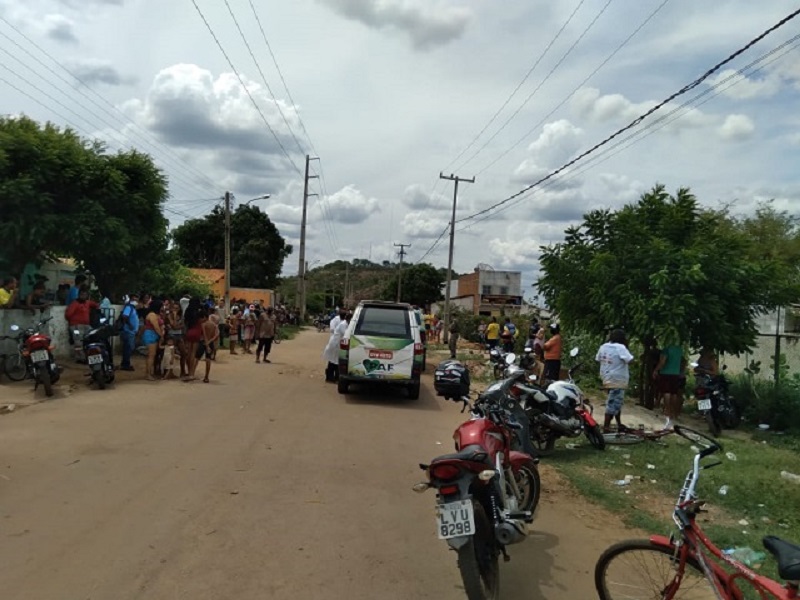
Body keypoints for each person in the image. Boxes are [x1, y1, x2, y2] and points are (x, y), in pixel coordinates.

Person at [596, 329, 635, 433]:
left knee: (615, 401)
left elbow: (598, 359)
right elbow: (630, 360)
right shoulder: (621, 347)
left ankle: (618, 423)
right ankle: (606, 428)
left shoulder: (603, 346)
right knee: (613, 403)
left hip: (606, 377)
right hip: (618, 379)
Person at [654, 343, 684, 430]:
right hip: (675, 374)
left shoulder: (666, 349)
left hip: (666, 373)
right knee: (674, 393)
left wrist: (656, 370)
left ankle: (667, 410)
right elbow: (682, 361)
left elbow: (662, 362)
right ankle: (673, 411)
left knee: (666, 392)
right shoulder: (679, 349)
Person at [65, 285, 99, 359]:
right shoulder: (75, 303)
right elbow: (68, 315)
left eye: (85, 294)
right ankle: (79, 357)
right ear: (79, 295)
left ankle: (88, 355)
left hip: (86, 325)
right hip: (76, 326)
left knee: (93, 336)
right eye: (82, 294)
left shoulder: (87, 302)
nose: (83, 296)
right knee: (78, 341)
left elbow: (96, 305)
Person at [323, 310, 348, 382]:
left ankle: (335, 377)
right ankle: (330, 377)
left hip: (338, 344)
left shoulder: (344, 323)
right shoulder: (340, 323)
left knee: (335, 361)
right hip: (335, 343)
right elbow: (333, 329)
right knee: (333, 361)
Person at [142, 299, 164, 381]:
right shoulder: (152, 315)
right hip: (151, 334)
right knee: (151, 355)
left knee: (152, 355)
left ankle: (149, 373)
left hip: (152, 334)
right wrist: (161, 335)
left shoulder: (155, 314)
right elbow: (156, 327)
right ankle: (148, 374)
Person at [197, 308, 220, 383]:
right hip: (211, 342)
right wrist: (210, 341)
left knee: (196, 358)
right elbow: (216, 335)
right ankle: (206, 376)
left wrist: (207, 344)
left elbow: (204, 335)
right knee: (208, 359)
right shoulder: (214, 325)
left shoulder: (203, 324)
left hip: (203, 342)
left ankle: (192, 373)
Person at [183, 298, 203, 381]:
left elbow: (185, 323)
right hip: (196, 331)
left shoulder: (187, 312)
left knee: (188, 352)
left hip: (189, 331)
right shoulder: (198, 312)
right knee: (193, 353)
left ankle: (188, 370)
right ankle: (191, 373)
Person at [119, 294, 139, 371]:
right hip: (128, 331)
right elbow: (125, 316)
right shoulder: (129, 307)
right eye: (134, 299)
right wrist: (130, 325)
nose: (135, 301)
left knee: (129, 348)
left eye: (136, 299)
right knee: (128, 348)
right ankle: (125, 364)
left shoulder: (133, 308)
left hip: (131, 331)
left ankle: (125, 363)